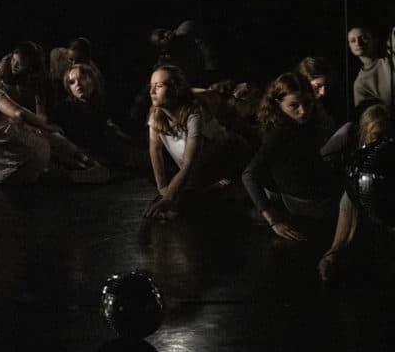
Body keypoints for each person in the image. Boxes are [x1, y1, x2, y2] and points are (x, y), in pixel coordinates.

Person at [0, 60, 102, 185]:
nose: (1, 83)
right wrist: (47, 126)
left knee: (33, 143)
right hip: (22, 163)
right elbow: (18, 113)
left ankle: (72, 170)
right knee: (44, 133)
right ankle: (89, 164)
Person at [241, 73, 341, 241]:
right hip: (305, 204)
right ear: (277, 104)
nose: (303, 111)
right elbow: (249, 175)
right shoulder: (279, 133)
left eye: (308, 103)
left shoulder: (303, 123)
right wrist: (273, 220)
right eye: (294, 105)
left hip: (315, 194)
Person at [144, 65, 249, 219]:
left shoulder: (194, 113)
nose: (152, 91)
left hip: (232, 159)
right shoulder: (156, 115)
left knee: (188, 203)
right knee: (179, 201)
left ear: (175, 89)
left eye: (158, 86)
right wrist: (163, 190)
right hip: (201, 168)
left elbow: (189, 163)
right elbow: (155, 151)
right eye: (151, 86)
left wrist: (168, 198)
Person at [318, 104, 392, 282]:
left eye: (386, 135)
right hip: (360, 193)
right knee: (349, 197)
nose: (381, 140)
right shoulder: (351, 136)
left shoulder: (389, 149)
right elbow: (324, 156)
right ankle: (334, 253)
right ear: (365, 131)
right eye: (377, 136)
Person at [51, 62, 122, 157]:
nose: (78, 84)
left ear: (93, 80)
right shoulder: (63, 110)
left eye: (82, 78)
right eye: (72, 82)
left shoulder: (104, 104)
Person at [348, 26, 394, 108]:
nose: (358, 43)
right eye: (352, 40)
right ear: (350, 47)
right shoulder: (360, 84)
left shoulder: (389, 59)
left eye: (364, 38)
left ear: (374, 40)